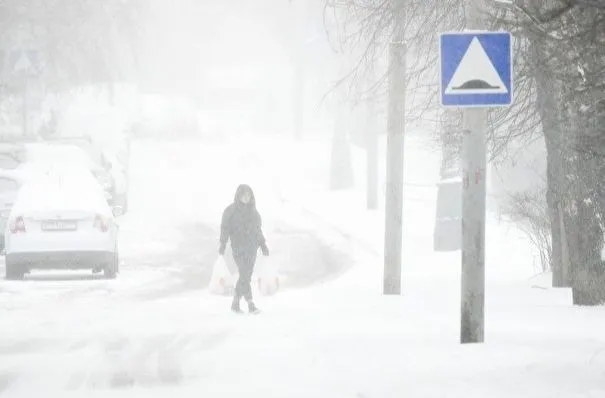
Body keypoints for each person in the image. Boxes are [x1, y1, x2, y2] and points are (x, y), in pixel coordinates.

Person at [219, 184, 269, 313]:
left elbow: (258, 230)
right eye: (244, 195)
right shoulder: (230, 211)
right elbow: (224, 229)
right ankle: (250, 303)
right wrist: (222, 244)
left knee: (245, 275)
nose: (246, 197)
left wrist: (263, 244)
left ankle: (235, 303)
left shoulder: (254, 212)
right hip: (238, 248)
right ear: (238, 195)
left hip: (252, 248)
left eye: (248, 195)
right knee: (244, 273)